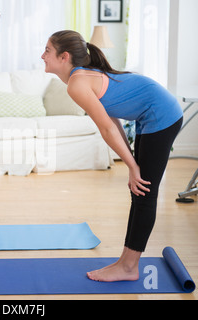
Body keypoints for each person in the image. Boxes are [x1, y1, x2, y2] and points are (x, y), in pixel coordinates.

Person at [42, 30, 183, 282]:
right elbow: (112, 121)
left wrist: (132, 167)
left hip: (161, 115)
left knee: (144, 192)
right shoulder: (79, 77)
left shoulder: (77, 83)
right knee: (139, 191)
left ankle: (129, 267)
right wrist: (131, 163)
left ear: (64, 57)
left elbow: (106, 128)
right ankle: (126, 261)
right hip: (150, 116)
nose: (42, 56)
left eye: (47, 51)